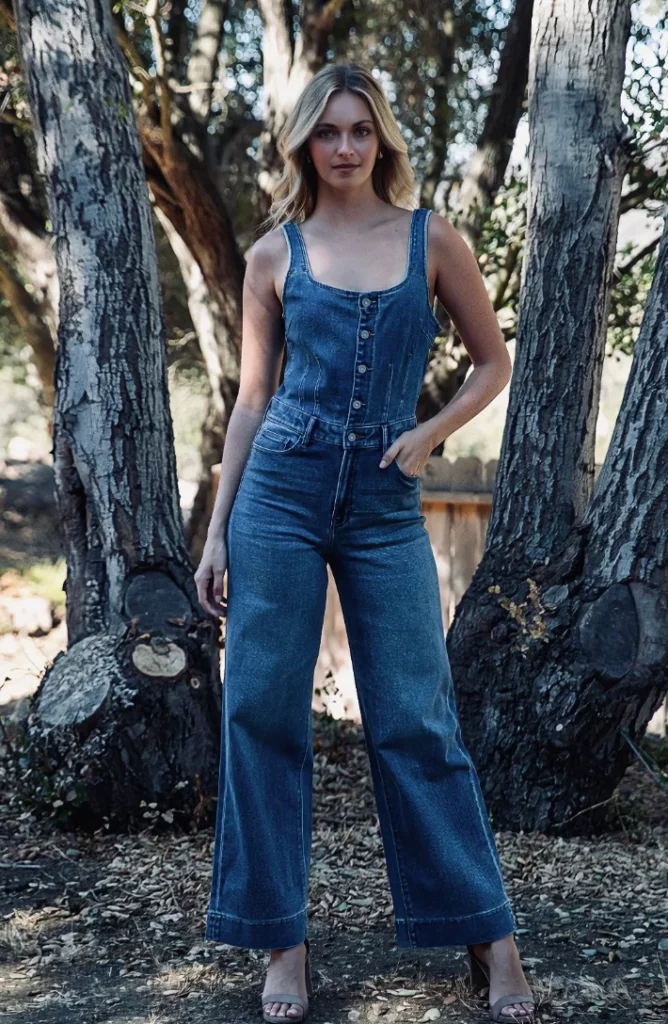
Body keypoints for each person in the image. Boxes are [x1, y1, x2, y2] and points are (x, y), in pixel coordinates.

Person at [195, 60, 536, 1024]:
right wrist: (217, 533)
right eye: (328, 131)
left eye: (359, 130)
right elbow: (251, 402)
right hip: (280, 493)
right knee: (262, 710)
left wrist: (430, 434)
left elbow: (492, 363)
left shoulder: (432, 239)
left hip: (386, 501)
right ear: (304, 142)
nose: (344, 147)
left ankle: (491, 941)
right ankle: (281, 945)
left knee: (415, 718)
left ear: (381, 138)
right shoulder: (273, 255)